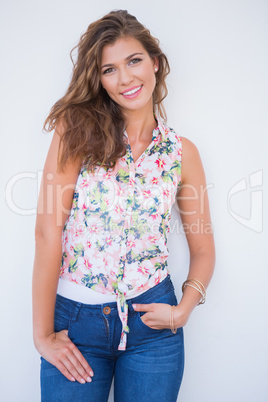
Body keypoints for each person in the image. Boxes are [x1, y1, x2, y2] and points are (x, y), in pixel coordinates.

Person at [32, 9, 215, 402]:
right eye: (109, 69)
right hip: (77, 327)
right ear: (98, 79)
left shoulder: (183, 153)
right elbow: (48, 230)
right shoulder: (74, 133)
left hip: (154, 329)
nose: (126, 78)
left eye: (133, 61)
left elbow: (202, 247)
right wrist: (42, 335)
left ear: (155, 62)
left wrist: (183, 309)